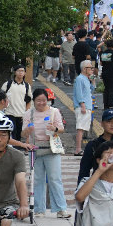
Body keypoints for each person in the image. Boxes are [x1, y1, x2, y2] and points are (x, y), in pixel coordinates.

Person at [24, 88, 69, 218]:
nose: (41, 103)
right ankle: (39, 209)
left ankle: (61, 209)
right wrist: (27, 131)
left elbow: (61, 129)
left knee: (55, 179)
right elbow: (23, 133)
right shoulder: (29, 114)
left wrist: (54, 128)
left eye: (44, 100)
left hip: (51, 149)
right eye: (38, 100)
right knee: (37, 180)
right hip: (35, 149)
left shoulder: (54, 112)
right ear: (34, 101)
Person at [78, 108, 113, 184]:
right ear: (102, 123)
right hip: (99, 185)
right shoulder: (93, 145)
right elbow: (84, 170)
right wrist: (80, 188)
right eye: (109, 121)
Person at [0, 65, 31, 141]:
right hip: (9, 113)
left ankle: (18, 150)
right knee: (11, 133)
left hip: (21, 114)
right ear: (15, 72)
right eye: (19, 71)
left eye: (22, 71)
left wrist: (26, 114)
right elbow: (0, 97)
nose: (20, 73)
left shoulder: (27, 86)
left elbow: (29, 100)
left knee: (19, 134)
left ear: (25, 73)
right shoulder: (8, 84)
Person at [74, 60, 97, 155]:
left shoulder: (86, 79)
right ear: (84, 69)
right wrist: (82, 105)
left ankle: (79, 149)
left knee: (83, 128)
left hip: (87, 106)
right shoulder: (80, 79)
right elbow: (79, 93)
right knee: (80, 128)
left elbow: (90, 90)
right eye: (90, 68)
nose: (92, 70)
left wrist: (93, 81)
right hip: (82, 107)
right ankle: (78, 149)